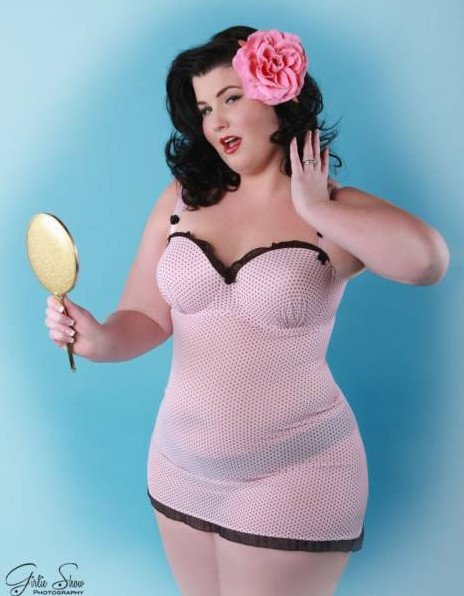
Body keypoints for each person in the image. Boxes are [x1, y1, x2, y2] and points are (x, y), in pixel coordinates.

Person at [44, 25, 449, 596]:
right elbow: (146, 317)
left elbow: (427, 262)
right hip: (178, 467)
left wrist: (314, 207)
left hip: (295, 474)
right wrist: (95, 339)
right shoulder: (182, 198)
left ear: (279, 97)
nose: (217, 122)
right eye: (205, 109)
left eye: (231, 98)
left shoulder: (333, 210)